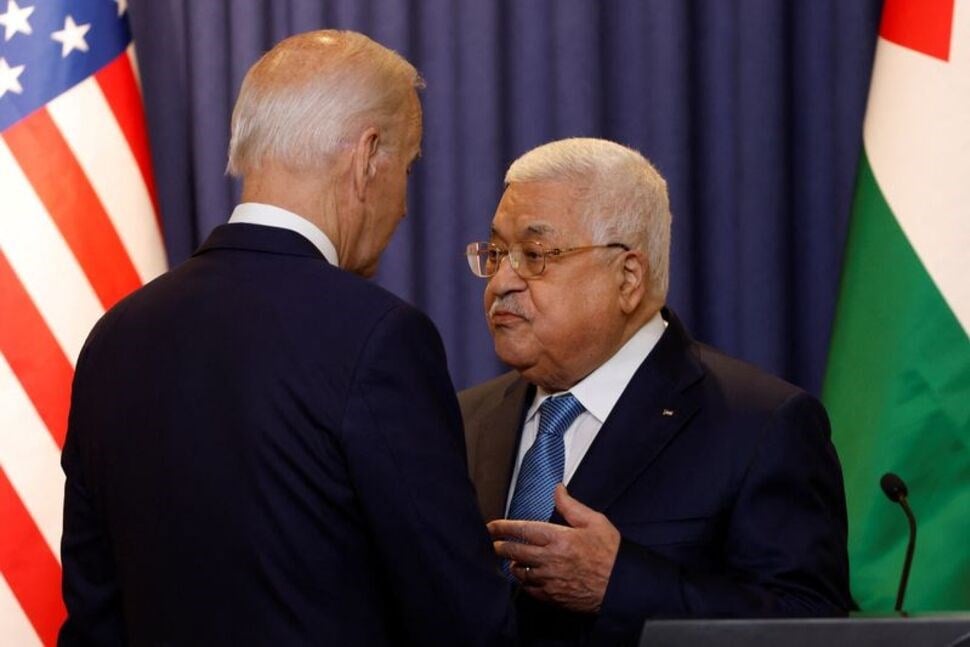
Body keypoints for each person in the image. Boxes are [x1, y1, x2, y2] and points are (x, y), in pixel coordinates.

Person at [60, 30, 513, 646]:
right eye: (406, 168)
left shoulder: (114, 336)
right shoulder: (380, 339)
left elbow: (94, 614)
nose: (404, 206)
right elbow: (461, 617)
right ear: (367, 156)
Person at [460, 137, 851, 645]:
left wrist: (619, 585)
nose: (499, 283)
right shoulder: (466, 418)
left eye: (534, 254)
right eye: (496, 253)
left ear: (627, 278)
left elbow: (811, 624)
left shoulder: (759, 424)